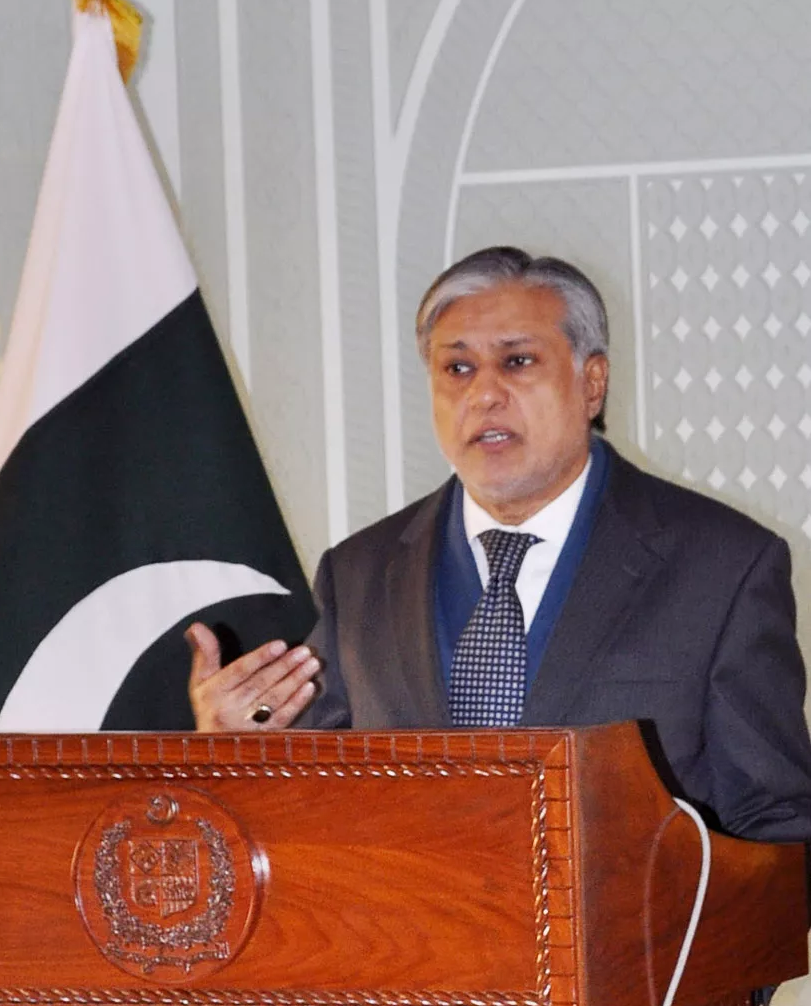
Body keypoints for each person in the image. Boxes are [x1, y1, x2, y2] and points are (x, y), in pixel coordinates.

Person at [188, 245, 811, 844]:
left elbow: (776, 824)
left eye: (517, 361)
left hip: (641, 921)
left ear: (592, 383)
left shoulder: (722, 567)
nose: (483, 394)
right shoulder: (359, 574)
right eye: (457, 368)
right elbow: (308, 810)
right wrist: (232, 751)